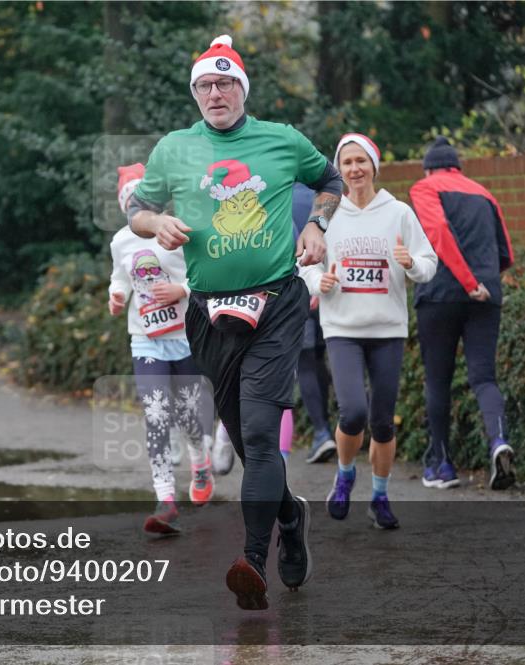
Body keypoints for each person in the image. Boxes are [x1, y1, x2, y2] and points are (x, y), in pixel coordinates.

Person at [128, 35, 343, 609]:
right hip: (208, 314)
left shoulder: (281, 140)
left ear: (242, 90)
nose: (215, 93)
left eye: (225, 83)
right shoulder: (174, 149)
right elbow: (136, 208)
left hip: (276, 304)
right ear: (195, 93)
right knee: (250, 445)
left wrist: (317, 225)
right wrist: (155, 223)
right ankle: (290, 518)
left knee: (259, 433)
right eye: (205, 85)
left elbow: (330, 181)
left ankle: (253, 560)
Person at [300, 133, 437, 530]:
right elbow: (304, 262)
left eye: (361, 161)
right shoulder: (326, 215)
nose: (354, 168)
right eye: (347, 162)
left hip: (387, 328)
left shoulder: (399, 213)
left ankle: (379, 497)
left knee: (382, 421)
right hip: (342, 327)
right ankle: (345, 475)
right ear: (338, 170)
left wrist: (411, 263)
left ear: (374, 166)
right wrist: (318, 282)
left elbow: (429, 263)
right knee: (354, 412)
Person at [109, 163, 215, 536]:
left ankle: (200, 463)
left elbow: (203, 275)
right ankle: (165, 499)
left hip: (184, 336)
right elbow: (120, 277)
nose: (134, 207)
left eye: (139, 199)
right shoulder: (121, 241)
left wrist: (180, 290)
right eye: (128, 202)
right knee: (156, 415)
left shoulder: (176, 230)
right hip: (145, 339)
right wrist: (116, 296)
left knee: (189, 415)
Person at [409, 137, 516, 490]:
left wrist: (467, 281)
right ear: (457, 167)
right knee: (484, 378)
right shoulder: (484, 193)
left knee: (438, 380)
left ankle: (442, 465)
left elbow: (438, 231)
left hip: (440, 294)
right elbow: (506, 253)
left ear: (429, 169)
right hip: (486, 294)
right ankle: (498, 441)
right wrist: (482, 281)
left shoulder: (424, 188)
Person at [291, 182, 336, 463]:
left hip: (298, 289)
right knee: (329, 357)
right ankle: (346, 427)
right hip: (331, 286)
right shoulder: (327, 199)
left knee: (306, 362)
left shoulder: (278, 195)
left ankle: (322, 432)